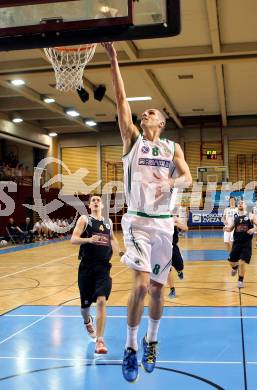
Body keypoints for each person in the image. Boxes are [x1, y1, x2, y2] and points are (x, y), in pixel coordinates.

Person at [103, 42, 192, 382]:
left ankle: (151, 341)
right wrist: (113, 58)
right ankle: (129, 347)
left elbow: (186, 176)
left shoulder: (172, 147)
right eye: (145, 112)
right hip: (137, 222)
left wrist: (172, 185)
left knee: (156, 289)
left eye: (152, 112)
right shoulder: (133, 140)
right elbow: (122, 102)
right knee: (139, 286)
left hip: (164, 226)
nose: (146, 114)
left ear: (163, 122)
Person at [71, 194, 123, 354]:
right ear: (89, 205)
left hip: (103, 267)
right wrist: (88, 240)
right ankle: (87, 321)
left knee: (101, 300)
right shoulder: (84, 220)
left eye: (98, 200)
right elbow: (73, 239)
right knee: (85, 307)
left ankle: (100, 341)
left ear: (102, 205)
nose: (95, 202)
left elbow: (113, 239)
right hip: (86, 267)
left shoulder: (108, 222)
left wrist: (121, 252)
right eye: (92, 200)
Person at [224, 199, 257, 288]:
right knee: (231, 262)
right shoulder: (236, 217)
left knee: (242, 262)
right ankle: (235, 268)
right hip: (236, 243)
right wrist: (226, 229)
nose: (240, 204)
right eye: (238, 203)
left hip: (246, 243)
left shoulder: (251, 216)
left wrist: (253, 229)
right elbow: (231, 228)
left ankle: (240, 280)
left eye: (242, 203)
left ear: (246, 205)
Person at [167, 215, 188, 299]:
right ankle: (172, 290)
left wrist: (175, 224)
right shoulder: (157, 218)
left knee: (180, 265)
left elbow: (186, 228)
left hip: (173, 246)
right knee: (167, 269)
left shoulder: (173, 218)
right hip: (162, 247)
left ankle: (179, 271)